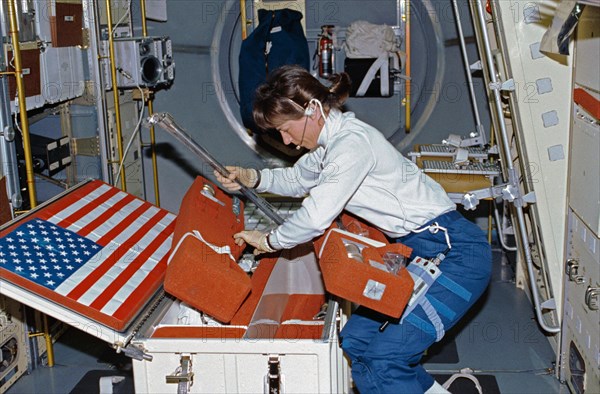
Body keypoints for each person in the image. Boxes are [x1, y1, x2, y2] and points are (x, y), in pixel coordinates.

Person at [215, 64, 491, 393]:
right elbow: (296, 179)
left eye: (286, 129)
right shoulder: (331, 147)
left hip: (456, 255)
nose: (286, 140)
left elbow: (316, 215)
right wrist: (253, 177)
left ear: (313, 109)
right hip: (422, 254)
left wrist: (271, 241)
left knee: (386, 359)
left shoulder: (351, 145)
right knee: (357, 342)